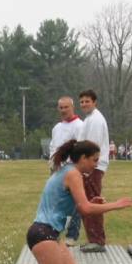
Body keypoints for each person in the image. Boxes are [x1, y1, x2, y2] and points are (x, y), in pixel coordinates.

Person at [26, 139, 132, 264]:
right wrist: (116, 205)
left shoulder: (67, 171)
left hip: (51, 235)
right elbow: (86, 209)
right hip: (42, 233)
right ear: (83, 158)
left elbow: (75, 205)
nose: (96, 164)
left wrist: (91, 202)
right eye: (94, 160)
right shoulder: (73, 174)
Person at [76, 89, 110, 253]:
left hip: (92, 167)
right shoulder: (89, 119)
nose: (84, 104)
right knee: (86, 202)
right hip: (88, 166)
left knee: (92, 202)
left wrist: (88, 168)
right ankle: (93, 239)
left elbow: (93, 147)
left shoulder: (96, 120)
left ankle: (97, 240)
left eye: (87, 101)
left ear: (94, 102)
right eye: (81, 102)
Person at [48, 96, 83, 246]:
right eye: (60, 107)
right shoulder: (56, 128)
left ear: (72, 107)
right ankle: (55, 232)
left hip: (71, 168)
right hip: (56, 169)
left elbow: (80, 148)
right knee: (57, 201)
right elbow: (53, 147)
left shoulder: (80, 126)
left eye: (66, 107)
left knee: (75, 202)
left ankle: (72, 236)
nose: (63, 110)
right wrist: (52, 163)